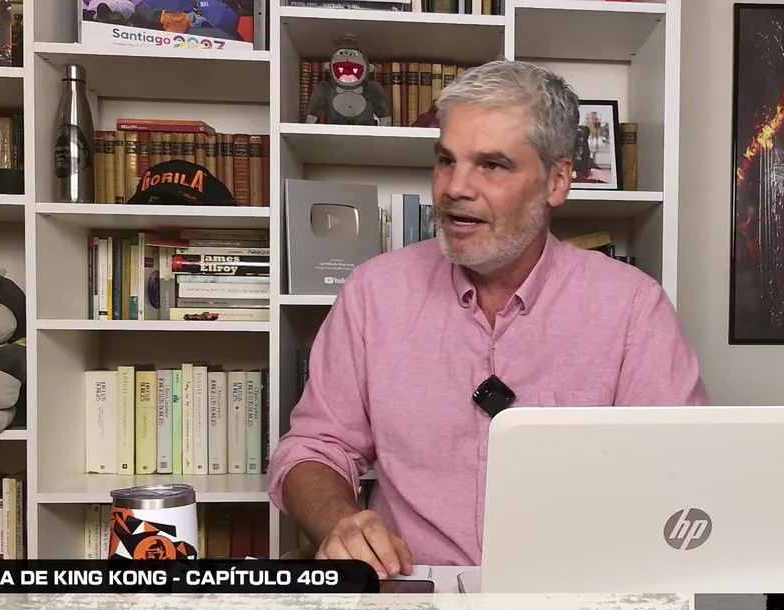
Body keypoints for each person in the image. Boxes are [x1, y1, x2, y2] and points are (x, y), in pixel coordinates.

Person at [269, 60, 708, 578]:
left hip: (573, 597)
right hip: (414, 593)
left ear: (557, 182)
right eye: (446, 161)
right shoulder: (373, 294)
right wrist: (339, 522)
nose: (455, 187)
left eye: (492, 165)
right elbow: (314, 449)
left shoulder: (633, 308)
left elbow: (682, 475)